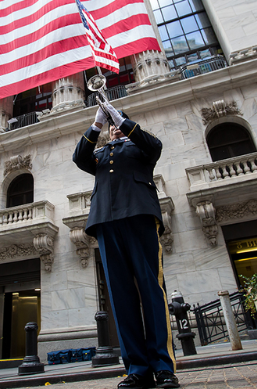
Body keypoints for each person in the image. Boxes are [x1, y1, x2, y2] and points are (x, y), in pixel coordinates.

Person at [73, 101, 179, 389]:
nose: (114, 129)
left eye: (117, 124)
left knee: (151, 290)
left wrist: (124, 121)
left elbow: (154, 145)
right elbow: (78, 157)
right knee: (121, 298)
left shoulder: (141, 147)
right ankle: (137, 369)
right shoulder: (99, 154)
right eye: (112, 126)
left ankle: (163, 367)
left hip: (140, 217)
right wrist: (96, 125)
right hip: (107, 223)